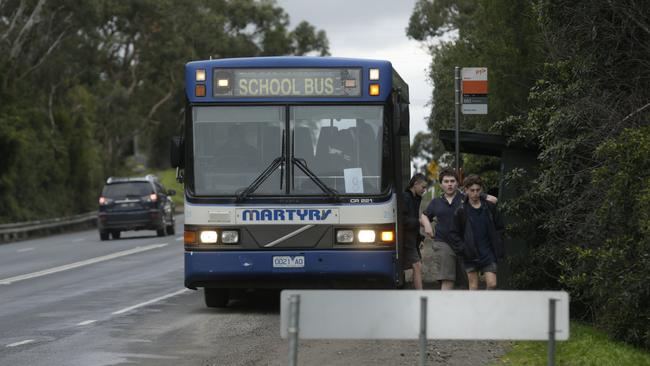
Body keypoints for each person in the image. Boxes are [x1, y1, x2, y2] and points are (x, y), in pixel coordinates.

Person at [420, 168, 497, 290]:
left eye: (452, 181)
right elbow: (424, 215)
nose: (449, 184)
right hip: (443, 242)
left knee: (467, 283)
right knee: (448, 279)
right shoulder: (436, 202)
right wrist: (427, 225)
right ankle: (445, 307)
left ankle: (469, 307)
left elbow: (493, 199)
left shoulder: (465, 197)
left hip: (465, 244)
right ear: (441, 184)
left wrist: (477, 194)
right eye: (446, 181)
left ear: (457, 183)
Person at [448, 174, 505, 290]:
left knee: (492, 284)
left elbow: (500, 227)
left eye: (478, 190)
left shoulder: (489, 207)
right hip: (470, 254)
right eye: (472, 190)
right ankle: (475, 308)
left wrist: (497, 241)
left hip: (488, 252)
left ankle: (486, 307)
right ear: (466, 190)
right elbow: (454, 233)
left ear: (482, 189)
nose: (475, 193)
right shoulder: (461, 211)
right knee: (473, 287)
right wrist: (463, 248)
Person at [401, 173, 428, 290]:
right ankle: (419, 294)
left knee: (416, 266)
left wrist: (419, 238)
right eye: (423, 187)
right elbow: (403, 220)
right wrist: (419, 221)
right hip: (405, 239)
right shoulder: (405, 197)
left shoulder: (415, 198)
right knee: (417, 266)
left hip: (412, 239)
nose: (424, 190)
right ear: (415, 184)